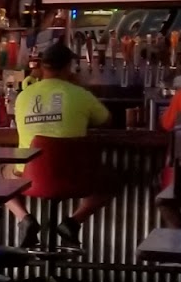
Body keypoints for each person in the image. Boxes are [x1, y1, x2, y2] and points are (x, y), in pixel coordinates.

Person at [7, 41, 110, 247]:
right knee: (111, 179)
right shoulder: (80, 94)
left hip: (30, 177)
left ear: (42, 66)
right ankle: (73, 222)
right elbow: (105, 120)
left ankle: (25, 218)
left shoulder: (23, 96)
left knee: (1, 174)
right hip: (73, 175)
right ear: (68, 67)